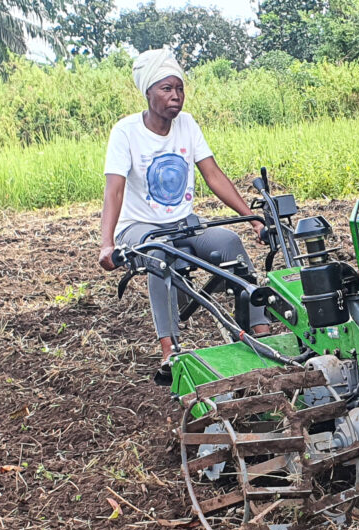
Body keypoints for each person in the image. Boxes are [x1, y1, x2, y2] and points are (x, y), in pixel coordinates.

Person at [98, 49, 270, 383]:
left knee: (230, 243)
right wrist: (106, 244)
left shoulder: (187, 125)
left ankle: (261, 333)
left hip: (182, 224)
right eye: (166, 89)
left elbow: (213, 174)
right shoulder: (126, 132)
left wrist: (252, 218)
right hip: (139, 229)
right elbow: (114, 190)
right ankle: (170, 349)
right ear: (148, 93)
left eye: (179, 88)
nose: (175, 95)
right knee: (159, 255)